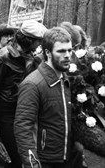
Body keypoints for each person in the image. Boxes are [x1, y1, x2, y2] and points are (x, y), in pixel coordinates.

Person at [14, 27, 84, 168]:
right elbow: (22, 128)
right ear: (47, 53)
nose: (67, 55)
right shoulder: (33, 84)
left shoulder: (64, 79)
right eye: (61, 51)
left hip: (64, 157)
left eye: (69, 50)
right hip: (44, 160)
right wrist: (32, 164)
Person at [0, 20, 47, 168]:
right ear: (29, 41)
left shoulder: (30, 56)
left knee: (25, 155)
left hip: (25, 112)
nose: (39, 44)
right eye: (38, 41)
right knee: (13, 159)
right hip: (7, 116)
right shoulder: (2, 57)